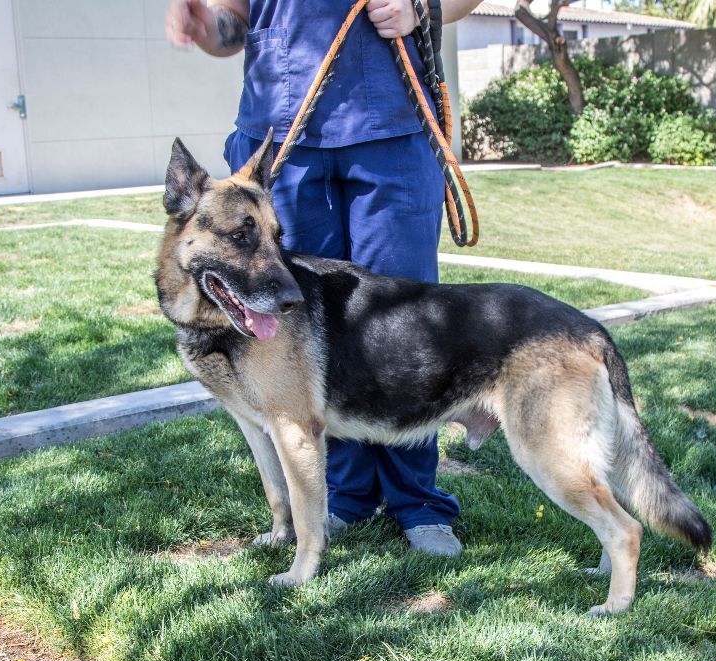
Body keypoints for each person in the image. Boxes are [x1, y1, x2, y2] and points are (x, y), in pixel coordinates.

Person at [165, 0, 482, 556]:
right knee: (300, 337)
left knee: (404, 326)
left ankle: (418, 502)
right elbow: (232, 24)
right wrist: (204, 24)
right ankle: (345, 496)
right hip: (282, 132)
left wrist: (423, 7)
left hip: (389, 127)